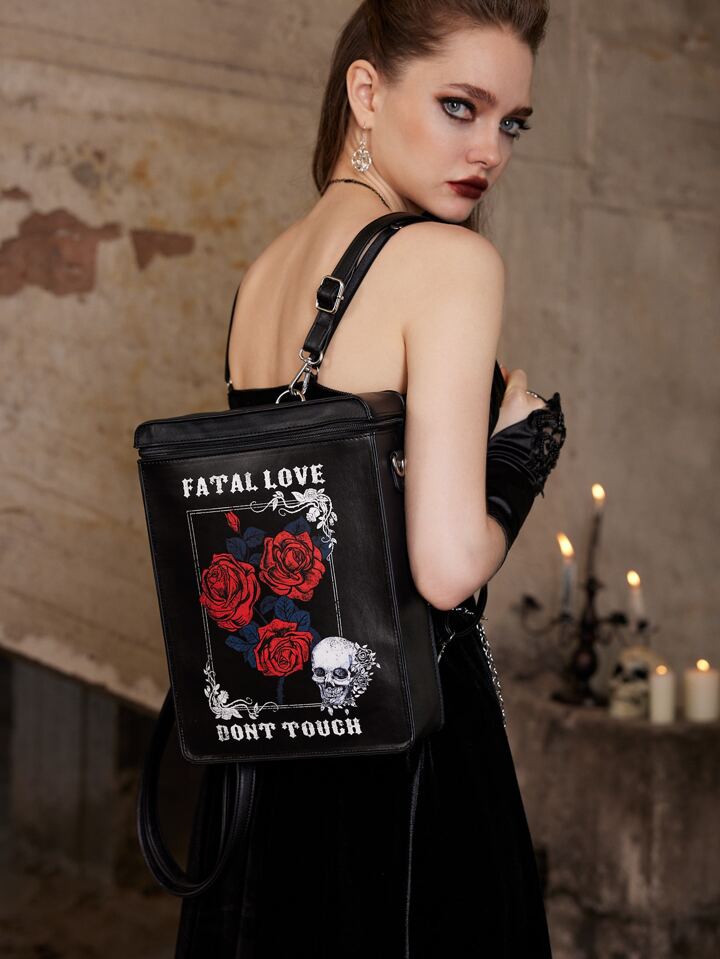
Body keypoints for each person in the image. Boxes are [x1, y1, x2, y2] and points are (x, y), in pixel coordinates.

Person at [174, 1, 565, 956]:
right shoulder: (450, 262)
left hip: (268, 746)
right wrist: (519, 456)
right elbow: (445, 567)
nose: (490, 151)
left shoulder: (264, 274)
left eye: (511, 123)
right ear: (367, 91)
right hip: (401, 748)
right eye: (460, 106)